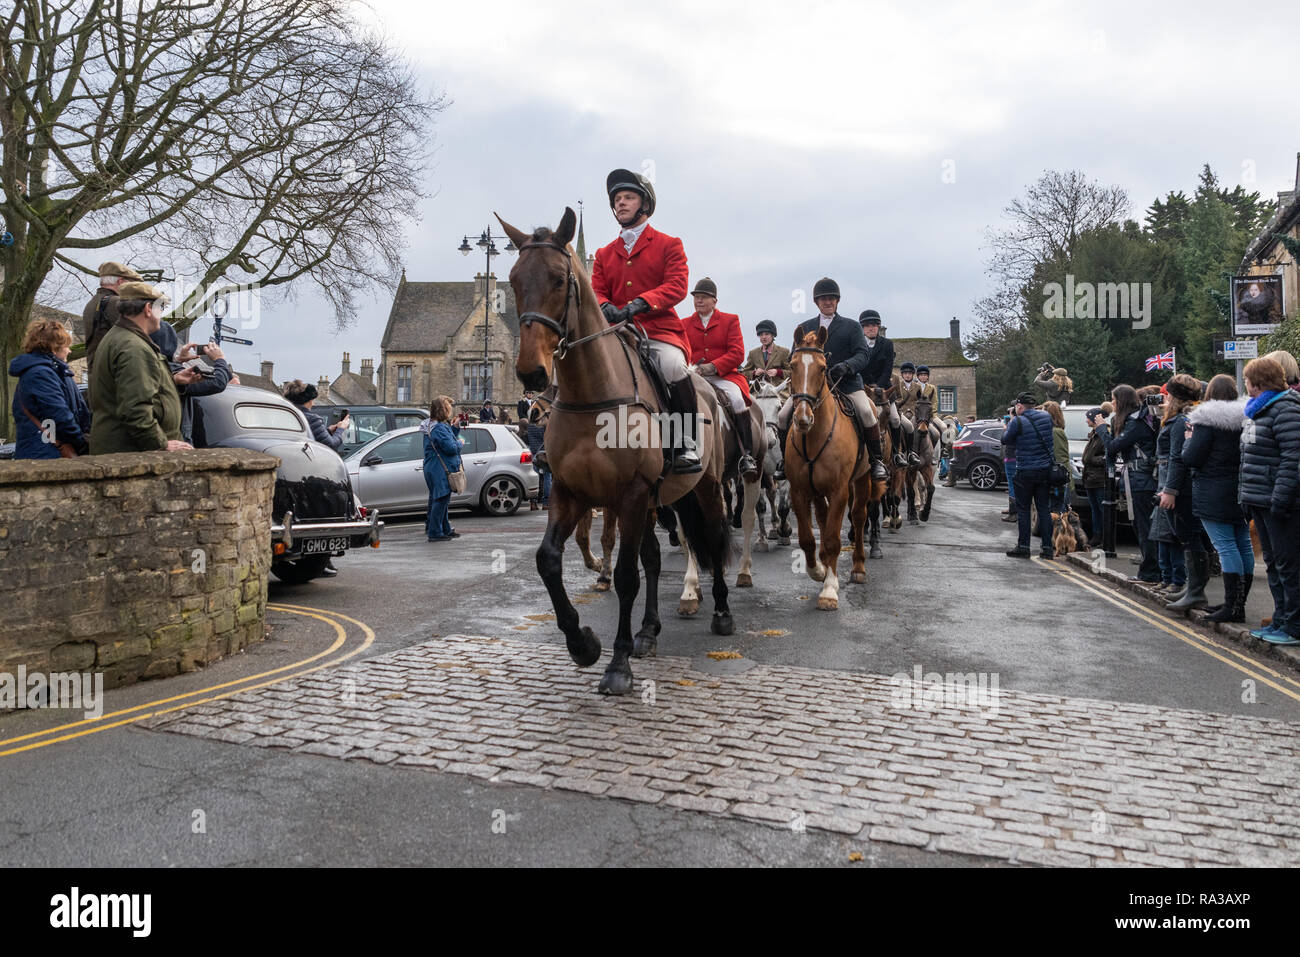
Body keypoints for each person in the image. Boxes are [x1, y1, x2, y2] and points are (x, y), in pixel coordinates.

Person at [591, 166, 699, 472]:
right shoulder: (603, 253)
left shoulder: (668, 244)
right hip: (614, 332)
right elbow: (596, 289)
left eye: (628, 197)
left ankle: (686, 443)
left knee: (674, 366)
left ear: (644, 204)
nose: (620, 203)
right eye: (616, 200)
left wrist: (641, 303)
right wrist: (604, 305)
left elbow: (677, 285)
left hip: (656, 331)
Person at [773, 278, 888, 481]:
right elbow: (794, 357)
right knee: (782, 416)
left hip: (846, 384)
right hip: (810, 387)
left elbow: (863, 354)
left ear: (837, 301)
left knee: (867, 413)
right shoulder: (805, 326)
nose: (828, 302)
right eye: (823, 299)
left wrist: (847, 366)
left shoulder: (851, 327)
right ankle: (784, 461)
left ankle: (877, 461)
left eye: (832, 298)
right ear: (817, 302)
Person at [88, 281, 196, 454]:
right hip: (131, 454)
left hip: (123, 450)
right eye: (160, 309)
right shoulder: (133, 347)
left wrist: (173, 380)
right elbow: (135, 410)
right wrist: (161, 443)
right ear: (148, 309)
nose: (161, 315)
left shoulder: (121, 338)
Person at [1237, 357, 1300, 644]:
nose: (1245, 385)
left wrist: (1280, 498)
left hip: (1279, 503)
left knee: (1288, 565)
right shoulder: (1259, 410)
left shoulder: (1286, 408)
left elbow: (1293, 458)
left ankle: (1294, 626)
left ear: (1259, 383)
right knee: (1274, 564)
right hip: (1260, 499)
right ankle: (1282, 619)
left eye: (1248, 380)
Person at [1182, 374, 1250, 622]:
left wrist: (1187, 443)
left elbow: (1192, 458)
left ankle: (1232, 607)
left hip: (1213, 489)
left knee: (1225, 545)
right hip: (1240, 487)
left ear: (1209, 393)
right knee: (1243, 542)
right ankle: (1237, 604)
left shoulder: (1206, 420)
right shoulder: (1246, 417)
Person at [681, 277, 758, 480]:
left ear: (714, 301)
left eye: (704, 297)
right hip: (695, 375)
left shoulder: (729, 320)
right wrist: (692, 367)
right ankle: (682, 448)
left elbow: (737, 353)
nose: (699, 301)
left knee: (737, 399)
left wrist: (714, 366)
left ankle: (747, 455)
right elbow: (681, 350)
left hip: (724, 376)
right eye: (696, 297)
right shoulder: (684, 324)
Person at [1094, 384, 1160, 583]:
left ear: (1121, 401)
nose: (1112, 403)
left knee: (1143, 526)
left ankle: (1150, 573)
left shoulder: (1135, 423)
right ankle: (1151, 569)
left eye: (1114, 399)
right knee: (1141, 525)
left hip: (1141, 479)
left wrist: (1101, 429)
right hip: (1139, 478)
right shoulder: (1137, 420)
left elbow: (1113, 447)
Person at [1155, 375, 1207, 607]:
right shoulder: (1189, 416)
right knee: (1188, 537)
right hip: (1185, 486)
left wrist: (1170, 490)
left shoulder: (1178, 422)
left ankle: (1195, 592)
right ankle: (1192, 590)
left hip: (1180, 488)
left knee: (1189, 537)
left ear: (1174, 397)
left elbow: (1177, 459)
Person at [9, 317, 91, 459]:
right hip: (45, 452)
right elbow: (59, 414)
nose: (69, 351)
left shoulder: (54, 372)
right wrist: (80, 442)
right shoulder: (40, 374)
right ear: (54, 347)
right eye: (66, 346)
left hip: (46, 449)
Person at [150, 320, 234, 445]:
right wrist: (219, 359)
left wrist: (177, 361)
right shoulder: (168, 370)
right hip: (173, 442)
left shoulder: (149, 365)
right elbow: (217, 382)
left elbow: (167, 371)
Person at [1001, 392, 1055, 558]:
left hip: (1025, 469)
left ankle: (1024, 546)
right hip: (1045, 470)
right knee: (1044, 509)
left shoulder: (1017, 421)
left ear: (1019, 406)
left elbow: (1005, 439)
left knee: (1023, 509)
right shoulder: (1047, 417)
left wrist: (1011, 422)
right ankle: (1047, 549)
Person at [82, 261, 142, 381]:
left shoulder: (92, 303)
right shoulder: (117, 303)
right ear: (120, 282)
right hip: (115, 377)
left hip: (97, 377)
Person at [422, 395, 463, 542]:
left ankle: (444, 529)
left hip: (434, 467)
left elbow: (446, 439)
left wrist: (455, 428)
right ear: (443, 409)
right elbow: (451, 447)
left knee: (441, 500)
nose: (450, 410)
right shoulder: (439, 428)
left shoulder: (434, 425)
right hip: (439, 469)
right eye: (448, 407)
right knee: (440, 500)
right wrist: (460, 443)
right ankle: (435, 532)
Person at [283, 379, 348, 452]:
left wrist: (328, 431)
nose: (313, 404)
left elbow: (309, 436)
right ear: (309, 401)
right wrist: (341, 429)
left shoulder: (286, 416)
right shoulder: (312, 419)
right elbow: (330, 445)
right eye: (312, 400)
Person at [1081, 408, 1108, 547]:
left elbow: (1108, 456)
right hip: (1090, 478)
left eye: (1088, 417)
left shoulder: (1104, 434)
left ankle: (1105, 538)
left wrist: (1091, 459)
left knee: (1102, 509)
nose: (1086, 420)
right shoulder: (1094, 434)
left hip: (1099, 478)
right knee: (1095, 509)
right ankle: (1096, 536)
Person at [739, 319, 790, 388]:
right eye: (761, 335)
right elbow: (744, 373)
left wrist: (778, 372)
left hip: (779, 391)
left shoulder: (784, 352)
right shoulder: (753, 353)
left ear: (773, 335)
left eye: (767, 334)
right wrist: (754, 373)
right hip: (759, 391)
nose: (763, 337)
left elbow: (793, 373)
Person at [1043, 400, 1070, 514]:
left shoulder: (1055, 432)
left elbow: (1061, 457)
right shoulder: (1055, 430)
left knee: (1056, 509)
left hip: (1056, 478)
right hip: (1054, 476)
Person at [526, 414, 550, 509]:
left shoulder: (530, 426)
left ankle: (533, 503)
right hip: (544, 454)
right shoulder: (544, 426)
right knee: (547, 479)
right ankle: (546, 503)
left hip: (534, 454)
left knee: (535, 480)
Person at [1001, 405, 1018, 523]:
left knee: (1012, 486)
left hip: (1012, 457)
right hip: (1015, 457)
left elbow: (1005, 439)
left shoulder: (1015, 423)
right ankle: (1012, 509)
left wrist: (1007, 427)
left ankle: (1014, 513)